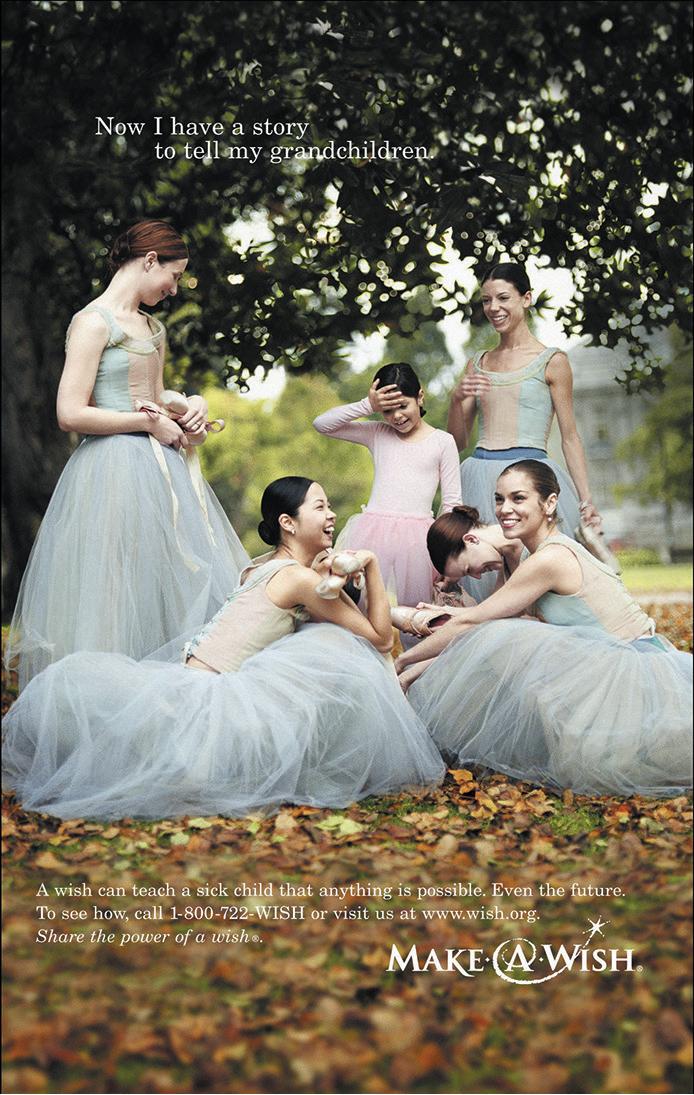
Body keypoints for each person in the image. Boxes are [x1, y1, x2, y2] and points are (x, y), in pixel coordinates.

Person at [2, 478, 445, 820]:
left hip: (186, 683)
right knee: (339, 647)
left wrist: (337, 580)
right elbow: (379, 638)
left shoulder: (260, 567)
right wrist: (371, 565)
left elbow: (326, 619)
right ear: (288, 523)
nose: (331, 515)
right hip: (214, 705)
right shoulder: (299, 579)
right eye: (320, 506)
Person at [5, 219, 249, 689]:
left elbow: (153, 395)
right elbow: (70, 412)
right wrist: (147, 423)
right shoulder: (93, 322)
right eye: (174, 276)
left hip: (159, 471)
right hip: (111, 470)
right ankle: (108, 697)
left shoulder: (153, 327)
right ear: (150, 260)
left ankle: (161, 696)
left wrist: (186, 406)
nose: (174, 289)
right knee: (113, 591)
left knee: (162, 584)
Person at [395, 461, 692, 798]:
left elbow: (476, 623)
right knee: (507, 634)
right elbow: (486, 624)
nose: (505, 509)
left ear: (550, 504)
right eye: (499, 499)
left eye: (518, 498)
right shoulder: (535, 555)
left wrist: (403, 663)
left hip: (630, 671)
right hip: (615, 661)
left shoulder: (548, 559)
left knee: (508, 637)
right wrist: (421, 661)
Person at [447, 262, 602, 601]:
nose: (494, 308)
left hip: (530, 480)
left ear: (526, 298)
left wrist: (586, 499)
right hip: (479, 480)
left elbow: (570, 436)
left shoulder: (552, 361)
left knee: (538, 582)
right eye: (486, 300)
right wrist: (456, 399)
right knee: (484, 580)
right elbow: (457, 441)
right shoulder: (477, 364)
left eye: (503, 298)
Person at [313, 362, 462, 618]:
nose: (396, 417)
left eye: (403, 406)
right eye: (387, 410)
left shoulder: (442, 442)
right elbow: (322, 424)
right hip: (371, 534)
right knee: (363, 606)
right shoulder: (378, 433)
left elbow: (452, 504)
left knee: (415, 611)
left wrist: (447, 555)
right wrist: (367, 406)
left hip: (419, 542)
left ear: (420, 397)